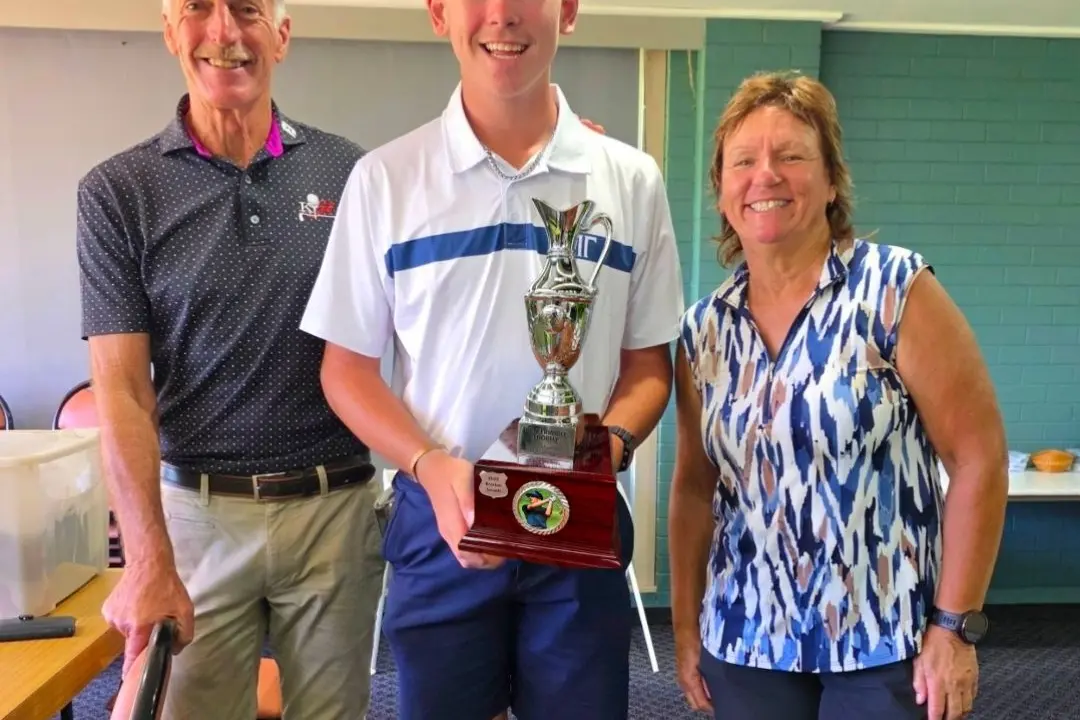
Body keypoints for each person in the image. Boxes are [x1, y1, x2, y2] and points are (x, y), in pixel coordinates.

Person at [298, 1, 685, 718]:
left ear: (567, 10)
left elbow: (648, 367)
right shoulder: (385, 180)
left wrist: (612, 445)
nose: (502, 13)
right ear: (439, 11)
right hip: (438, 516)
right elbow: (345, 372)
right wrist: (429, 465)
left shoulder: (632, 181)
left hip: (582, 516)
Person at [75, 1, 385, 717]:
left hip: (333, 509)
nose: (223, 32)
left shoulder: (351, 173)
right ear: (170, 33)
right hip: (198, 518)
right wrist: (148, 558)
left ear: (281, 33)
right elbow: (120, 391)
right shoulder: (118, 193)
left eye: (246, 8)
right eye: (197, 9)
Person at [669, 71, 1009, 720]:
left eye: (791, 156)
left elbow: (978, 458)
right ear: (722, 190)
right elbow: (693, 487)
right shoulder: (704, 329)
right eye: (744, 161)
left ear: (830, 181)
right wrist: (686, 630)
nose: (765, 175)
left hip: (885, 644)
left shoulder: (896, 290)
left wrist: (956, 626)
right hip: (746, 641)